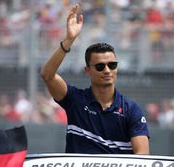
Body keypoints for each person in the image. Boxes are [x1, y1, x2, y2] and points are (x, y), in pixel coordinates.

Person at [40, 4, 149, 154]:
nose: (107, 70)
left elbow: (142, 156)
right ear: (87, 71)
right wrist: (68, 40)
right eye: (100, 66)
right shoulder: (74, 99)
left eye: (112, 65)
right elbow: (47, 75)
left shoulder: (132, 110)